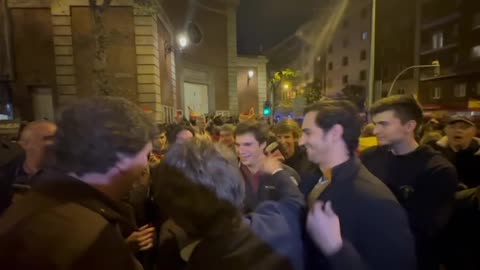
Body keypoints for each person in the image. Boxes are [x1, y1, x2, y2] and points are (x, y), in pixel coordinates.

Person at [0, 97, 156, 270]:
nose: (145, 167)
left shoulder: (38, 200)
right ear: (121, 158)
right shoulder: (94, 241)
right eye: (146, 155)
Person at [151, 139, 305, 270]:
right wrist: (276, 170)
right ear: (239, 185)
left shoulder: (195, 260)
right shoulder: (277, 224)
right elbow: (294, 200)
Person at [300, 100, 415, 270]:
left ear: (334, 133)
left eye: (308, 133)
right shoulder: (311, 179)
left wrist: (337, 249)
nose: (301, 142)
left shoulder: (376, 200)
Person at [360, 95, 457, 270]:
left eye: (384, 124)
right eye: (375, 124)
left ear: (409, 126)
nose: (375, 131)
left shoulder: (437, 170)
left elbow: (425, 230)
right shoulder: (369, 157)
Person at [234, 121, 301, 212]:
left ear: (263, 144)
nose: (241, 151)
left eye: (247, 144)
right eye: (237, 145)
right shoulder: (230, 174)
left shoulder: (286, 174)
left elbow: (294, 211)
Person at [0, 120, 57, 215]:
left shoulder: (71, 174)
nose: (55, 143)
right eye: (48, 139)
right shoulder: (7, 174)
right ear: (24, 144)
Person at [430, 115, 480, 189]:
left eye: (464, 127)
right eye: (452, 127)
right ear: (445, 130)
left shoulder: (477, 154)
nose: (458, 130)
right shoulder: (433, 151)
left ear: (474, 131)